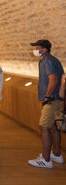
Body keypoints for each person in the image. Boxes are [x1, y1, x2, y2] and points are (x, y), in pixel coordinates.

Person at [28, 40, 64, 168]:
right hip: (57, 99)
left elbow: (53, 79)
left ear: (44, 49)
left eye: (37, 47)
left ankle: (46, 159)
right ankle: (57, 154)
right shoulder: (49, 60)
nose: (35, 50)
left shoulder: (47, 61)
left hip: (51, 99)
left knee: (44, 127)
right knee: (53, 127)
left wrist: (47, 96)